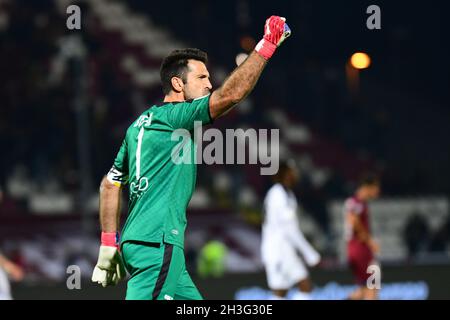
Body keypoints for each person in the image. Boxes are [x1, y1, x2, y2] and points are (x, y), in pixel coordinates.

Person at [92, 16, 292, 300]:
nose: (209, 84)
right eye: (202, 78)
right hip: (157, 243)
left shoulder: (137, 127)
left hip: (143, 242)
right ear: (177, 83)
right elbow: (230, 95)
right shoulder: (175, 117)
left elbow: (109, 185)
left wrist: (108, 244)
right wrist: (267, 45)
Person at [261, 160, 321, 300]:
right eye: (293, 172)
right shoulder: (278, 195)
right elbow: (289, 229)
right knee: (295, 288)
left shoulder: (287, 194)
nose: (296, 175)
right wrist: (310, 254)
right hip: (278, 251)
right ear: (286, 174)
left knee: (286, 290)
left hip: (285, 250)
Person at [344, 174, 381, 300]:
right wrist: (370, 241)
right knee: (373, 285)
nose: (378, 191)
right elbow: (353, 221)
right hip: (360, 249)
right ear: (367, 187)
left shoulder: (356, 203)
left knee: (363, 290)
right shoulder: (356, 202)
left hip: (354, 249)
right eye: (376, 187)